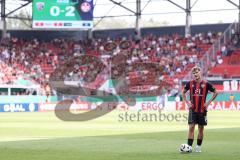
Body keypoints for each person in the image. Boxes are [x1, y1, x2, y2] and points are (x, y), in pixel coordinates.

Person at [182, 66, 218, 153]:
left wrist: (208, 103)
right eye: (194, 73)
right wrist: (187, 103)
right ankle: (189, 147)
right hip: (193, 110)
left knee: (201, 129)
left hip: (202, 110)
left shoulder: (206, 84)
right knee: (191, 127)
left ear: (200, 72)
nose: (195, 74)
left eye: (197, 72)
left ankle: (198, 146)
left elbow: (216, 92)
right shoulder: (189, 83)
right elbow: (183, 92)